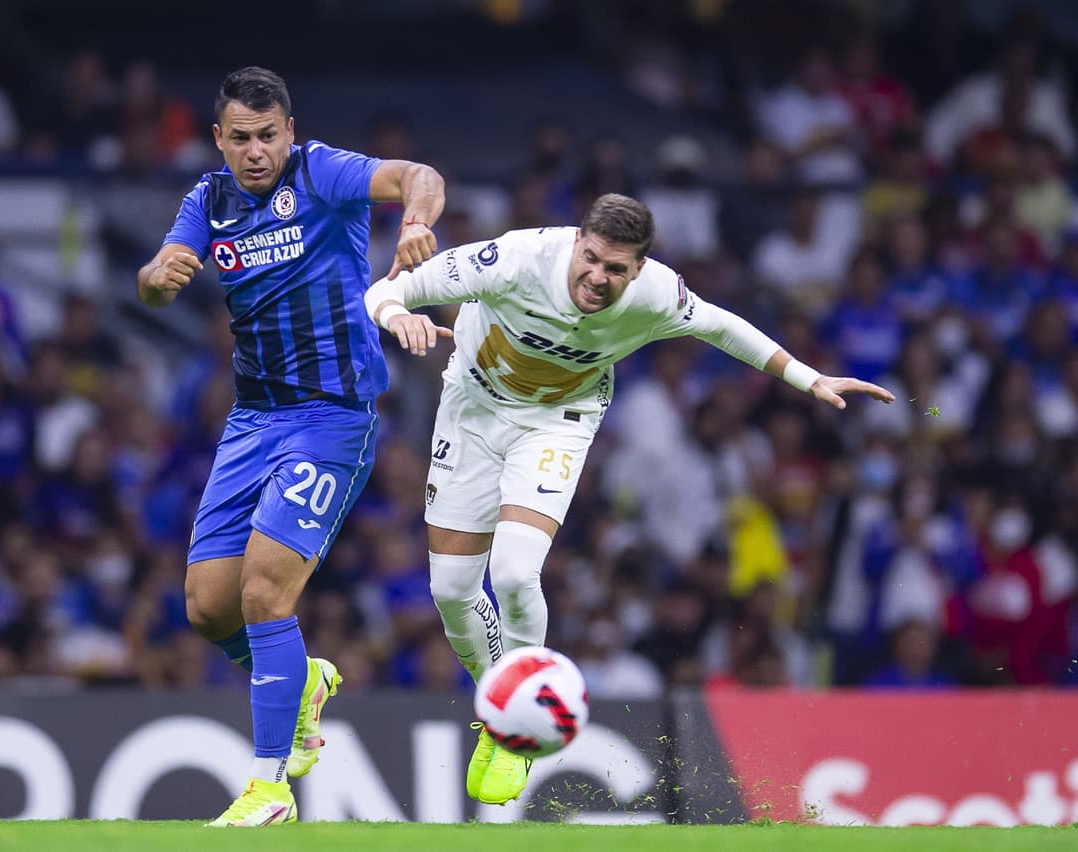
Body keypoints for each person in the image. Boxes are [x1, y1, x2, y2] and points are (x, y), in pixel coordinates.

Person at [363, 193, 893, 805]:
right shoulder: (514, 259)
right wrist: (394, 314)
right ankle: (504, 700)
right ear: (577, 242)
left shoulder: (657, 294)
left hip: (557, 421)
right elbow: (390, 287)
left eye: (616, 269)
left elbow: (722, 325)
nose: (598, 276)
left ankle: (515, 726)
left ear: (638, 269)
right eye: (591, 259)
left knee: (512, 572)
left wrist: (810, 377)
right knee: (452, 591)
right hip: (472, 412)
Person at [137, 66, 444, 827]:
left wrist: (414, 223)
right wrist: (156, 276)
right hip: (253, 419)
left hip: (332, 416)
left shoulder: (321, 173)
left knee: (264, 593)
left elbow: (419, 175)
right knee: (208, 610)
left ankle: (269, 787)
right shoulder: (206, 200)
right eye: (239, 138)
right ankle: (300, 682)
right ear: (219, 139)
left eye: (267, 136)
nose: (255, 151)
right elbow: (153, 281)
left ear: (289, 132)